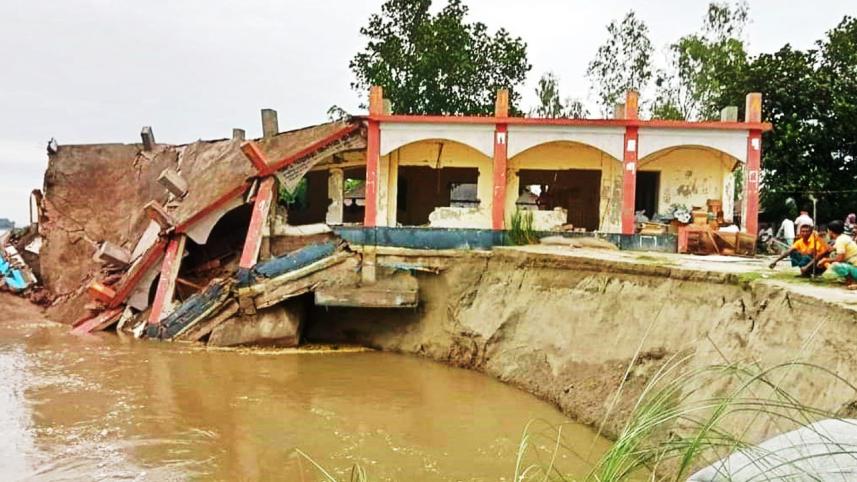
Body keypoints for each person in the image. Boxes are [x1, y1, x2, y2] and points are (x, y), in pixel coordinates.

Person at [826, 220, 857, 289]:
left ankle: (851, 281)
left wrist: (825, 260)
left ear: (831, 231)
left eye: (828, 230)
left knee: (835, 265)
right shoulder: (844, 237)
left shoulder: (840, 240)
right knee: (833, 255)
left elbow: (840, 258)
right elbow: (832, 249)